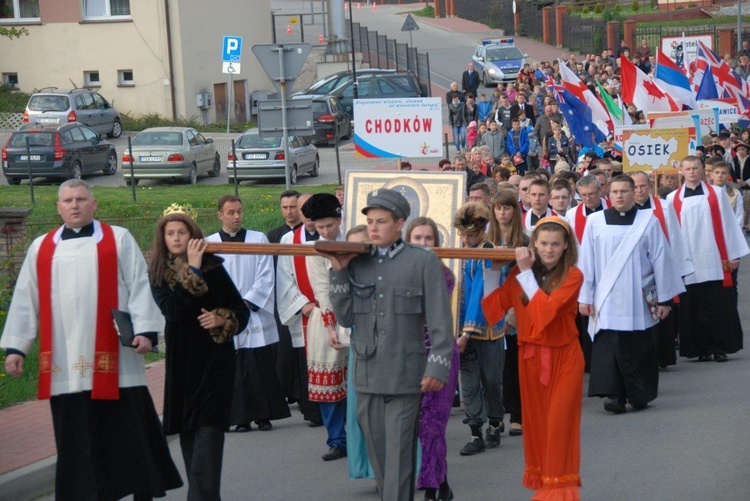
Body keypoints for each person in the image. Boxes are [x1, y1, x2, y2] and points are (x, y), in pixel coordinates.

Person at [1, 180, 182, 501]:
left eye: (81, 199)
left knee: (126, 433)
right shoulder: (41, 247)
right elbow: (26, 300)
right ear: (58, 207)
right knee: (76, 440)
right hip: (64, 364)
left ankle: (142, 489)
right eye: (68, 200)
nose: (74, 205)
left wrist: (146, 331)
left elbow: (140, 285)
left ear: (94, 204)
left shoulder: (118, 239)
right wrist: (17, 347)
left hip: (117, 359)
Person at [324, 189, 454, 501]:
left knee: (398, 459)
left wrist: (438, 366)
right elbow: (345, 316)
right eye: (369, 221)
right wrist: (339, 270)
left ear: (399, 223)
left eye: (381, 221)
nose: (372, 227)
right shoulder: (356, 261)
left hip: (406, 375)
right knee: (380, 459)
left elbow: (440, 321)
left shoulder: (422, 261)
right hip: (367, 375)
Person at [149, 209, 250, 500]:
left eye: (182, 232)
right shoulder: (159, 273)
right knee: (189, 436)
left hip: (215, 361)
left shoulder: (214, 267)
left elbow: (241, 312)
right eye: (170, 233)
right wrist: (191, 271)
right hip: (182, 363)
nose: (176, 238)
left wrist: (222, 319)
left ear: (193, 235)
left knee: (209, 433)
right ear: (163, 239)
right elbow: (173, 311)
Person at [482, 217, 584, 501]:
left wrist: (524, 273)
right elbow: (493, 312)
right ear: (534, 245)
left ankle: (559, 493)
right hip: (529, 358)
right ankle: (547, 486)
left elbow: (544, 314)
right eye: (543, 244)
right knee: (538, 426)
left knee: (559, 425)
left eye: (555, 244)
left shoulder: (573, 276)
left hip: (564, 359)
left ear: (566, 247)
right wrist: (492, 273)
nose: (549, 249)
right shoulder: (518, 273)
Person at [578, 176, 685, 414]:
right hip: (605, 298)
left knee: (639, 347)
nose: (619, 196)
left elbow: (661, 259)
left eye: (624, 191)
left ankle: (639, 393)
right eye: (614, 191)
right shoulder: (595, 221)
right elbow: (586, 262)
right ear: (608, 193)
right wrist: (585, 297)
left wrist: (665, 300)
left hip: (638, 299)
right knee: (609, 347)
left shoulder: (648, 221)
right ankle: (614, 395)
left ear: (633, 192)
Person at [205, 195, 290, 432]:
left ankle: (264, 415)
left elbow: (266, 273)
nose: (236, 217)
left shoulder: (257, 238)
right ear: (220, 215)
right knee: (233, 367)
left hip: (253, 310)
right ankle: (240, 418)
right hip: (226, 314)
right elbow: (208, 280)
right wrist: (226, 308)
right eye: (231, 212)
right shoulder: (209, 243)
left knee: (260, 363)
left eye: (239, 211)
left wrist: (248, 301)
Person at [667, 156, 749, 362]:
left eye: (696, 168)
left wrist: (733, 254)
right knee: (692, 305)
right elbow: (671, 233)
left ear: (703, 170)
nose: (692, 172)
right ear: (682, 171)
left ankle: (720, 347)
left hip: (714, 258)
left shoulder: (717, 193)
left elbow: (728, 223)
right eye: (688, 169)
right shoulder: (672, 199)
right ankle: (699, 348)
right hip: (688, 260)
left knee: (717, 303)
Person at [405, 217, 460, 501]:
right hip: (409, 357)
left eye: (429, 239)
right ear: (408, 241)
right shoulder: (398, 273)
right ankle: (443, 483)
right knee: (419, 426)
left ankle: (430, 487)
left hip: (440, 355)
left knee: (434, 423)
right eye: (418, 238)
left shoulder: (443, 274)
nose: (424, 244)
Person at [453, 202, 506, 456]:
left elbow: (481, 292)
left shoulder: (489, 252)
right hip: (460, 330)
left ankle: (495, 422)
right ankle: (475, 432)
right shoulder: (455, 252)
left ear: (483, 229)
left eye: (471, 233)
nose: (467, 238)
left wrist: (466, 332)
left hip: (487, 328)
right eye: (463, 233)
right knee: (469, 382)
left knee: (491, 380)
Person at [300, 193, 349, 461]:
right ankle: (336, 439)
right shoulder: (315, 249)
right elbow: (322, 288)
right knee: (328, 382)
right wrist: (332, 326)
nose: (326, 231)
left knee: (353, 381)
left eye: (330, 225)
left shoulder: (354, 239)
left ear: (339, 219)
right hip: (327, 318)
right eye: (320, 227)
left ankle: (357, 434)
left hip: (356, 315)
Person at [276, 193, 324, 427]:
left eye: (310, 208)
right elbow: (284, 278)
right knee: (308, 361)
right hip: (305, 311)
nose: (306, 213)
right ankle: (314, 412)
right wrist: (303, 304)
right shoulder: (289, 240)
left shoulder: (333, 235)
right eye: (302, 208)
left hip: (330, 311)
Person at [486, 189, 529, 437]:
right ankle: (495, 415)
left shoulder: (524, 241)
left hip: (514, 313)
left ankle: (517, 414)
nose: (502, 212)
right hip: (490, 310)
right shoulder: (485, 241)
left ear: (515, 210)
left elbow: (526, 281)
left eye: (507, 207)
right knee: (492, 370)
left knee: (512, 366)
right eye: (498, 208)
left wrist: (512, 317)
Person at [266, 190, 306, 406]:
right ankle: (285, 392)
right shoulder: (274, 236)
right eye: (285, 207)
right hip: (283, 299)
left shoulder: (308, 233)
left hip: (307, 299)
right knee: (284, 349)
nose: (289, 212)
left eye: (293, 207)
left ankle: (303, 392)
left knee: (303, 349)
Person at [343, 225, 376, 481]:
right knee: (360, 413)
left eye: (364, 245)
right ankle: (369, 467)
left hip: (389, 349)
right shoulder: (344, 272)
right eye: (353, 246)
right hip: (360, 348)